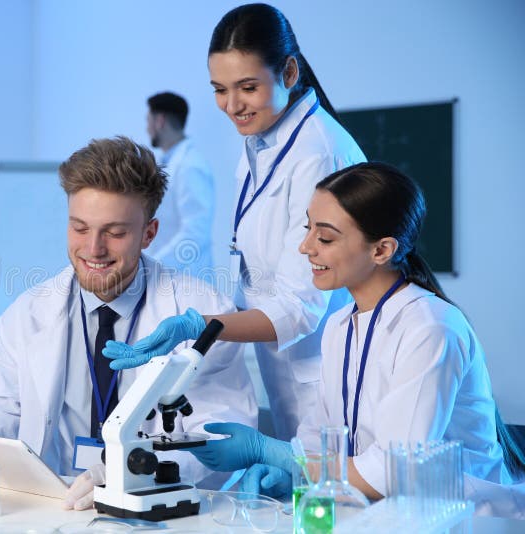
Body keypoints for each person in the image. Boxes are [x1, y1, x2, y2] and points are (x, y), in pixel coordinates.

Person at [0, 136, 257, 510]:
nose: (93, 249)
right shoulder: (27, 315)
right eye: (80, 228)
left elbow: (218, 429)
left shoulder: (202, 312)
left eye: (115, 232)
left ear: (149, 233)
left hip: (163, 511)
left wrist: (127, 472)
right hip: (60, 507)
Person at [183, 163, 525, 513]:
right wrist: (291, 471)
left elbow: (396, 471)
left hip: (469, 517)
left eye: (325, 237)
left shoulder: (431, 328)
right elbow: (320, 434)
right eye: (307, 228)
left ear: (381, 251)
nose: (305, 247)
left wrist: (271, 451)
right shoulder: (341, 325)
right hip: (385, 512)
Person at [105, 3, 365, 441]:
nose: (231, 106)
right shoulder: (261, 143)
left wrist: (202, 326)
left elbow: (299, 306)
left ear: (288, 72)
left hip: (325, 372)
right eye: (219, 89)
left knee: (339, 493)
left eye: (246, 87)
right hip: (287, 368)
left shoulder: (318, 153)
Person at [144, 92, 215, 276]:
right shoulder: (168, 162)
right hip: (167, 277)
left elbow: (196, 232)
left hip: (187, 280)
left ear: (160, 121)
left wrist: (153, 267)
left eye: (148, 121)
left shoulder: (190, 166)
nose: (147, 129)